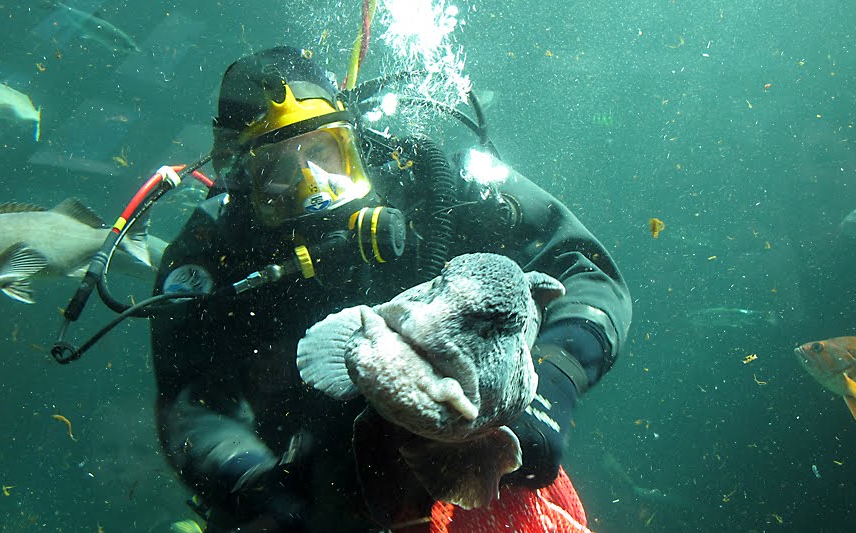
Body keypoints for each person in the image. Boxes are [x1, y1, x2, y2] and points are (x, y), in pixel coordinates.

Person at [151, 46, 632, 532]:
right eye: (277, 168)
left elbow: (585, 271)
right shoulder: (212, 251)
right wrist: (253, 482)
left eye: (322, 152)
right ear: (241, 178)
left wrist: (553, 385)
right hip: (306, 485)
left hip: (468, 465)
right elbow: (191, 404)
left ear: (353, 139)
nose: (313, 185)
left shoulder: (438, 185)